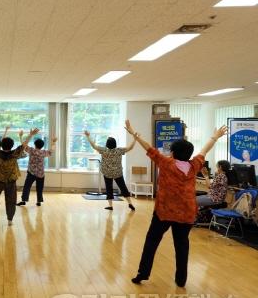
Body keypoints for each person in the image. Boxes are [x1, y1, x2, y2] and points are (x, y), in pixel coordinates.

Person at [126, 120, 227, 287]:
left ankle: (142, 274)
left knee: (151, 242)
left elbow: (148, 148)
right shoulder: (194, 165)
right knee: (182, 245)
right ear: (189, 154)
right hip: (186, 213)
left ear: (171, 152)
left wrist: (134, 134)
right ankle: (181, 280)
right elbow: (205, 149)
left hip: (164, 212)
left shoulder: (166, 163)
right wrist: (215, 137)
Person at [0, 125, 38, 225]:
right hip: (11, 181)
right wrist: (31, 135)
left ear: (2, 145)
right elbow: (24, 145)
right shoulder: (15, 153)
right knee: (11, 200)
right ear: (12, 145)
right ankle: (10, 220)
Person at [84, 131, 136, 211]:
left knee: (109, 189)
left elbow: (94, 146)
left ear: (107, 144)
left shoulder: (104, 150)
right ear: (115, 144)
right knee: (123, 187)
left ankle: (111, 206)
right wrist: (135, 139)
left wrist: (88, 136)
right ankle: (130, 203)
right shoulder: (119, 150)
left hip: (107, 173)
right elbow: (130, 148)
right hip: (117, 173)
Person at [17, 134, 57, 207]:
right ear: (42, 146)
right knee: (40, 188)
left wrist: (20, 136)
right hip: (41, 173)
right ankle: (39, 201)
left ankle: (24, 200)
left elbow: (23, 145)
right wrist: (53, 142)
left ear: (35, 144)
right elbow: (52, 150)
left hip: (31, 173)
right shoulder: (43, 152)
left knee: (27, 187)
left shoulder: (32, 150)